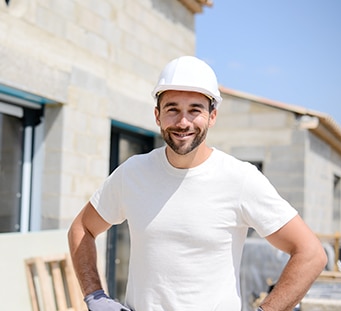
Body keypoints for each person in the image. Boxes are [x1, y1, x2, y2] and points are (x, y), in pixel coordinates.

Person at [68, 56, 327, 311]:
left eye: (195, 110)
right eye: (172, 110)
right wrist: (95, 296)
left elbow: (311, 253)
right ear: (157, 116)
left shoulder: (240, 179)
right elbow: (82, 228)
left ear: (212, 116)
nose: (183, 122)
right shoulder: (133, 173)